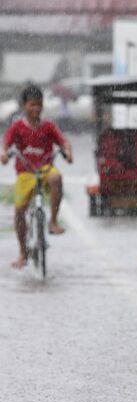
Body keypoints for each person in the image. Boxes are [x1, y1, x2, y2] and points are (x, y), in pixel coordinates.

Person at [1, 84, 73, 268]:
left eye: (39, 105)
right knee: (19, 211)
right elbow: (5, 144)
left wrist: (67, 151)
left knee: (57, 178)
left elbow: (64, 142)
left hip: (45, 170)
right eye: (32, 105)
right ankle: (23, 253)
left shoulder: (48, 126)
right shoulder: (17, 127)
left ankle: (53, 221)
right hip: (25, 173)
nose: (36, 109)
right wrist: (3, 153)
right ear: (24, 106)